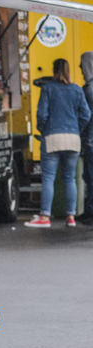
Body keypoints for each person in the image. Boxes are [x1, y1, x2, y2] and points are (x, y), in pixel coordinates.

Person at [26, 58, 92, 229]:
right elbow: (86, 114)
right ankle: (71, 216)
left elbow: (42, 115)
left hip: (52, 138)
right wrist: (76, 128)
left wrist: (43, 129)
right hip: (73, 139)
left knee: (49, 178)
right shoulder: (77, 90)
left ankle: (45, 217)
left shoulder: (48, 89)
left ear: (54, 71)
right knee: (70, 178)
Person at [80, 51, 93, 224]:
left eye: (82, 65)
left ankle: (91, 211)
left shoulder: (89, 89)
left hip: (91, 141)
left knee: (90, 176)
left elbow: (87, 116)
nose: (80, 68)